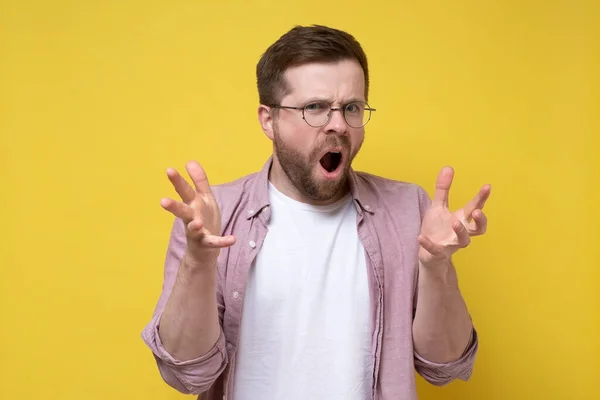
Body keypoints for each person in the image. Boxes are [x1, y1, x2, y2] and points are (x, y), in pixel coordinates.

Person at [141, 24, 491, 400]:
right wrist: (198, 262)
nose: (339, 124)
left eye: (352, 108)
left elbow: (446, 365)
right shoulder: (214, 217)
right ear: (268, 120)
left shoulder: (408, 210)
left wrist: (435, 269)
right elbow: (186, 372)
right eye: (315, 108)